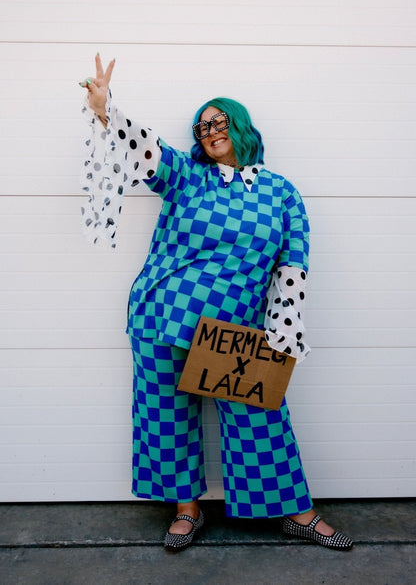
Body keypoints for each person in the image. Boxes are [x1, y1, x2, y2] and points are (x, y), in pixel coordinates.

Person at [79, 54, 353, 551]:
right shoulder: (189, 177)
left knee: (260, 422)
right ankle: (187, 511)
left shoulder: (281, 193)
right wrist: (107, 111)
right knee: (164, 417)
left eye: (218, 121)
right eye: (201, 126)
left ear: (240, 126)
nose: (209, 131)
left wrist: (283, 331)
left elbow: (292, 266)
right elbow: (148, 153)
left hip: (232, 328)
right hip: (163, 316)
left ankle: (298, 512)